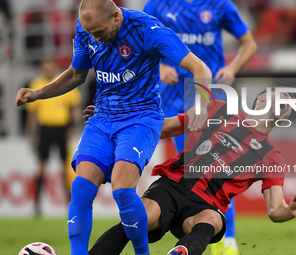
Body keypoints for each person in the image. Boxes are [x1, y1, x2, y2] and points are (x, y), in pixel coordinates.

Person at [15, 1, 211, 255]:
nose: (94, 38)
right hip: (103, 117)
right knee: (81, 187)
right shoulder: (87, 28)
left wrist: (201, 105)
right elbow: (77, 75)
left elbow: (200, 68)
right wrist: (38, 93)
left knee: (122, 188)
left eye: (98, 32)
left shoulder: (148, 29)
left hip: (140, 118)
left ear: (116, 16)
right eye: (90, 33)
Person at [85, 87, 296, 255]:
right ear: (260, 98)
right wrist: (113, 121)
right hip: (175, 185)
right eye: (280, 97)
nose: (285, 104)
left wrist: (289, 211)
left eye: (289, 104)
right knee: (140, 218)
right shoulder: (218, 110)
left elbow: (275, 209)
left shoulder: (273, 158)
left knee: (212, 220)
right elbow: (164, 129)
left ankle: (180, 252)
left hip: (207, 204)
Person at [143, 1, 258, 254]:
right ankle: (196, 233)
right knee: (188, 173)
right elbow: (139, 42)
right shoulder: (157, 5)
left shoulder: (219, 5)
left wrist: (233, 67)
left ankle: (227, 241)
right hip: (174, 104)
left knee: (220, 171)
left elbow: (249, 43)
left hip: (211, 99)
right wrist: (160, 67)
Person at [26, 58, 81, 217]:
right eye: (45, 66)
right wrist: (31, 135)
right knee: (41, 168)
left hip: (61, 129)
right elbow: (32, 113)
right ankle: (37, 205)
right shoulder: (37, 84)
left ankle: (69, 205)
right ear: (43, 68)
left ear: (54, 67)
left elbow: (74, 108)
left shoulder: (62, 82)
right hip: (45, 129)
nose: (48, 69)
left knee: (65, 168)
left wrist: (72, 128)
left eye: (50, 66)